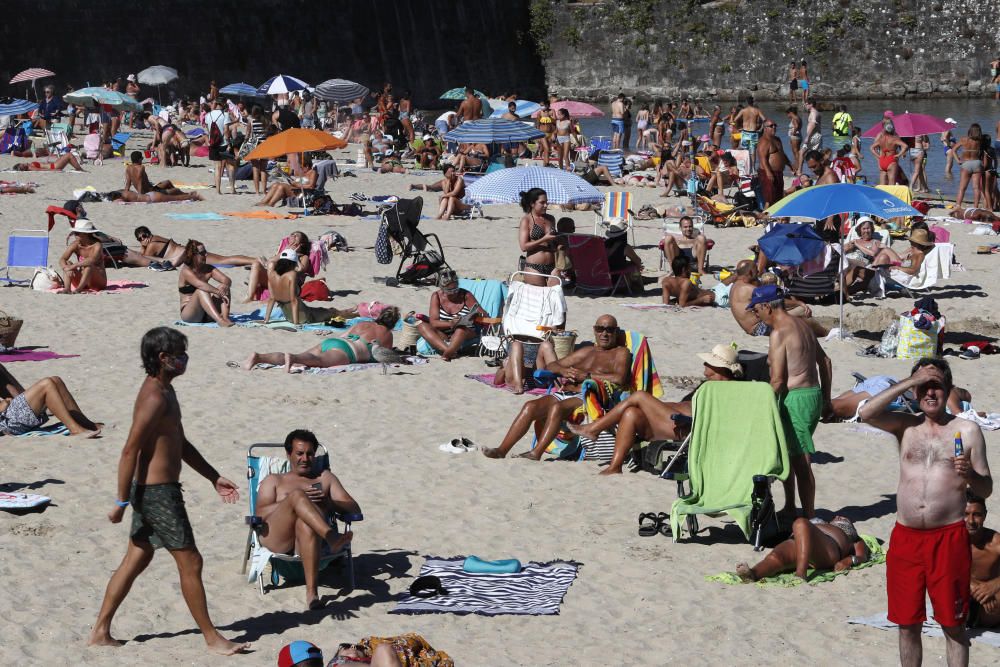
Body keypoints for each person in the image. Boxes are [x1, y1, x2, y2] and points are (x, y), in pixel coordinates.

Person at [88, 327, 249, 655]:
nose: (186, 360)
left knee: (137, 556)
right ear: (163, 359)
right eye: (180, 354)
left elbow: (179, 442)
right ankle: (212, 638)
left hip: (159, 490)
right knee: (190, 560)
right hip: (158, 493)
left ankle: (100, 631)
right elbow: (129, 450)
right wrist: (120, 501)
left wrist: (212, 476)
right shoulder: (154, 397)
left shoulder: (166, 391)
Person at [858, 358, 991, 666]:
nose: (931, 393)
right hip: (906, 538)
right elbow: (865, 413)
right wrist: (909, 381)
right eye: (924, 387)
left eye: (937, 386)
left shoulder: (966, 430)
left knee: (953, 625)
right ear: (916, 391)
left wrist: (970, 474)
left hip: (948, 538)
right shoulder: (905, 425)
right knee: (907, 624)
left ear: (948, 390)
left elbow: (986, 489)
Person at [569, 343, 742, 475]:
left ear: (720, 369)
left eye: (708, 364)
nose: (705, 369)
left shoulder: (729, 390)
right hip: (673, 421)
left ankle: (594, 429)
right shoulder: (711, 385)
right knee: (631, 413)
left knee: (639, 396)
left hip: (686, 427)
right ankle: (615, 466)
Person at [482, 314, 631, 460]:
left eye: (609, 330)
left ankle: (536, 453)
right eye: (600, 329)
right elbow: (552, 365)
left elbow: (620, 378)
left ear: (616, 331)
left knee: (557, 408)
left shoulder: (620, 353)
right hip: (566, 393)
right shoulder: (587, 351)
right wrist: (563, 371)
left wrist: (587, 377)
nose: (604, 333)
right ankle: (502, 450)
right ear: (594, 330)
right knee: (530, 406)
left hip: (590, 397)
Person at [747, 285, 832, 520]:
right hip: (812, 395)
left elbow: (777, 380)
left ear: (766, 306)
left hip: (795, 399)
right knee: (789, 454)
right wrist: (826, 399)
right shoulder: (803, 326)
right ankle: (791, 508)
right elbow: (826, 362)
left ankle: (809, 516)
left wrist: (760, 407)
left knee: (801, 460)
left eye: (756, 310)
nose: (756, 315)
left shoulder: (779, 333)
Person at [254, 430, 357, 610]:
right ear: (288, 454)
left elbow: (354, 508)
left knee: (306, 522)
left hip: (308, 543)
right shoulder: (274, 480)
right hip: (277, 538)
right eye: (299, 453)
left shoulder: (324, 478)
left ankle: (312, 594)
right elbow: (260, 513)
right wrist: (290, 502)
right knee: (297, 496)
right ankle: (331, 537)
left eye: (310, 454)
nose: (305, 458)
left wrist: (328, 502)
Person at [243, 307, 399, 372]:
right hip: (347, 352)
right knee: (311, 360)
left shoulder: (364, 323)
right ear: (392, 323)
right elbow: (385, 355)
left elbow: (343, 336)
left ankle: (259, 357)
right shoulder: (387, 335)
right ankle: (293, 358)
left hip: (335, 342)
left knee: (304, 357)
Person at [735, 515, 869, 582]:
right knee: (776, 558)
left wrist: (848, 560)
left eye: (843, 519)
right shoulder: (823, 524)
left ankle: (801, 573)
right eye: (837, 517)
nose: (838, 516)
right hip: (799, 542)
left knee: (800, 523)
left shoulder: (854, 538)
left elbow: (862, 556)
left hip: (828, 549)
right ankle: (753, 573)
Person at [414, 269, 483, 361]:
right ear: (442, 289)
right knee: (421, 325)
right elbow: (434, 322)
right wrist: (451, 323)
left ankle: (446, 354)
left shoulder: (465, 295)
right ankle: (449, 351)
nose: (454, 292)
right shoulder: (436, 296)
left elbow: (483, 313)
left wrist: (475, 315)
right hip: (444, 334)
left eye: (456, 289)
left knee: (460, 329)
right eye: (449, 290)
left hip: (465, 332)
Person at [0, 375, 101, 437]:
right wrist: (3, 405)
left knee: (56, 380)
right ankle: (74, 429)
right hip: (7, 424)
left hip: (8, 415)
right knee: (47, 384)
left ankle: (87, 424)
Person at [263, 251, 340, 325]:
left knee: (324, 310)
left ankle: (351, 310)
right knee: (333, 312)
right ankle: (350, 312)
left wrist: (266, 320)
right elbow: (294, 300)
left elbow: (272, 299)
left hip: (289, 317)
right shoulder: (291, 275)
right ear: (293, 262)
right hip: (304, 316)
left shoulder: (272, 275)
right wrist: (296, 323)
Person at [177, 240, 233, 327]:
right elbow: (200, 285)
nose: (206, 255)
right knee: (201, 291)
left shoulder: (208, 268)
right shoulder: (186, 271)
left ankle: (225, 317)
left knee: (224, 286)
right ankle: (220, 320)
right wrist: (218, 292)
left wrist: (225, 286)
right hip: (191, 314)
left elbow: (226, 279)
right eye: (202, 253)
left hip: (208, 313)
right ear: (194, 255)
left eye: (206, 252)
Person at [966, 493, 1000, 628]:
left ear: (985, 515)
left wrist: (995, 585)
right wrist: (973, 586)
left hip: (990, 604)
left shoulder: (995, 542)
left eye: (977, 514)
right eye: (965, 514)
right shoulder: (950, 540)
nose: (971, 521)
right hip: (961, 597)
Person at [518, 188, 559, 285]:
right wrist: (544, 239)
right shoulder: (527, 220)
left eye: (547, 202)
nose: (546, 205)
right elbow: (523, 247)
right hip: (534, 267)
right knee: (538, 298)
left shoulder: (550, 219)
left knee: (554, 297)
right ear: (532, 204)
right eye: (542, 202)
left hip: (552, 266)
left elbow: (553, 242)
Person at [59, 219, 107, 293]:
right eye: (74, 232)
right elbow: (62, 259)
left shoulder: (97, 245)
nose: (75, 235)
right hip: (83, 280)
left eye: (77, 233)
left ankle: (78, 290)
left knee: (89, 266)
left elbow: (92, 260)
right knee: (67, 263)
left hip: (98, 282)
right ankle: (67, 289)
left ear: (85, 234)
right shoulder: (75, 244)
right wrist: (66, 268)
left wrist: (73, 266)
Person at [206, 100, 236, 194]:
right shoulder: (225, 115)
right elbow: (226, 130)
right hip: (223, 143)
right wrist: (228, 143)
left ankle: (218, 190)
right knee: (230, 166)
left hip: (213, 143)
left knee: (217, 167)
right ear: (222, 105)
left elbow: (208, 130)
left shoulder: (208, 115)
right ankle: (232, 189)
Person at [757, 119, 790, 207]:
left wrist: (790, 165)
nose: (774, 127)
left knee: (778, 197)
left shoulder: (777, 139)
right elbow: (762, 158)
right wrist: (768, 172)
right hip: (768, 173)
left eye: (775, 125)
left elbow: (782, 154)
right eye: (771, 126)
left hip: (779, 173)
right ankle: (765, 217)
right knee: (769, 199)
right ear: (765, 128)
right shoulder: (763, 141)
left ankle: (775, 217)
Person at [955, 123, 985, 211]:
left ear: (970, 131)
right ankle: (976, 206)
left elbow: (953, 150)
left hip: (966, 163)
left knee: (962, 187)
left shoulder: (964, 139)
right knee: (976, 187)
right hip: (977, 163)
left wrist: (958, 160)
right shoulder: (980, 141)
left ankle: (958, 205)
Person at [605, 221, 643, 291]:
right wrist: (637, 265)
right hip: (616, 280)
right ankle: (638, 287)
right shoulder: (625, 247)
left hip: (602, 278)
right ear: (624, 234)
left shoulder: (603, 244)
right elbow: (638, 260)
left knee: (629, 263)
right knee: (634, 266)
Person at [870, 117, 908, 185]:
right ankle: (891, 195)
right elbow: (905, 146)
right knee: (892, 182)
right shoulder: (894, 138)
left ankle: (882, 195)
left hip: (882, 160)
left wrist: (878, 157)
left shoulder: (881, 138)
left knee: (882, 184)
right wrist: (899, 155)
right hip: (891, 160)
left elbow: (871, 148)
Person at [798, 98, 822, 171]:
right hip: (815, 136)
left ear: (811, 104)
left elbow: (813, 124)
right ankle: (801, 169)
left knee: (811, 154)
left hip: (813, 136)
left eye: (807, 103)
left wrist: (807, 137)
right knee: (806, 153)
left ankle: (801, 170)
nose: (805, 105)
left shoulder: (813, 113)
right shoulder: (816, 112)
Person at [12, 153, 84, 172]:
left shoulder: (29, 165)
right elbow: (40, 170)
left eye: (21, 166)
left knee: (67, 157)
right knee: (69, 155)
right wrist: (54, 170)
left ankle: (78, 168)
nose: (23, 166)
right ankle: (79, 169)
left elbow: (41, 165)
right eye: (22, 168)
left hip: (53, 164)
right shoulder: (30, 167)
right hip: (54, 166)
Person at [535, 99, 555, 167]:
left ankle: (545, 164)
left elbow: (555, 122)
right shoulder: (539, 113)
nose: (541, 107)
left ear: (547, 105)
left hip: (550, 133)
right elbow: (537, 124)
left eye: (542, 105)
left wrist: (549, 116)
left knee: (546, 150)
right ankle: (547, 163)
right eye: (540, 105)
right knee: (547, 148)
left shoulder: (552, 111)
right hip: (542, 133)